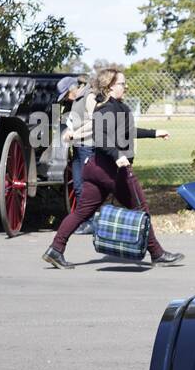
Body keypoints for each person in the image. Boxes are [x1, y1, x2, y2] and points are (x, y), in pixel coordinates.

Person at [43, 67, 183, 268]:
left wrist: (154, 133)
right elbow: (100, 138)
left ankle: (55, 250)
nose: (125, 87)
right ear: (109, 86)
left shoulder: (117, 107)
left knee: (82, 212)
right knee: (141, 208)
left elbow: (128, 131)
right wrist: (118, 156)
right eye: (121, 84)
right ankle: (157, 254)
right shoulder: (106, 109)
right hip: (111, 171)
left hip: (96, 170)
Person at [58, 75, 97, 235]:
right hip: (78, 146)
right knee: (78, 185)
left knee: (87, 185)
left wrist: (75, 133)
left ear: (73, 88)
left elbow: (94, 122)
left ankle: (91, 222)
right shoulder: (76, 100)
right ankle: (85, 221)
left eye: (67, 94)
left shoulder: (89, 95)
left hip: (89, 145)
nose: (67, 98)